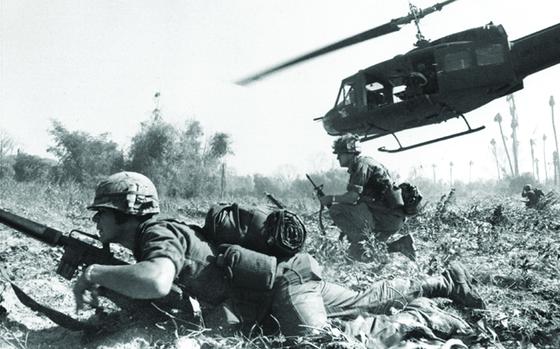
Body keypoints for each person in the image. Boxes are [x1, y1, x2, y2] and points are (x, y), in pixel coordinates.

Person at [73, 171, 484, 341]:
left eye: (101, 213)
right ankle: (443, 282)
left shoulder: (156, 233)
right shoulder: (158, 235)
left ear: (123, 211)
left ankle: (418, 318)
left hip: (283, 286)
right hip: (281, 282)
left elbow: (157, 280)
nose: (97, 221)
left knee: (320, 344)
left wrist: (95, 272)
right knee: (361, 300)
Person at [318, 134, 416, 261]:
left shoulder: (361, 165)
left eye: (340, 154)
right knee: (357, 253)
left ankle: (359, 239)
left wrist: (330, 199)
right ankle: (401, 245)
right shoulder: (365, 163)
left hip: (385, 217)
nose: (337, 158)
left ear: (350, 153)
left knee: (336, 210)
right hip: (392, 218)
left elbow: (352, 198)